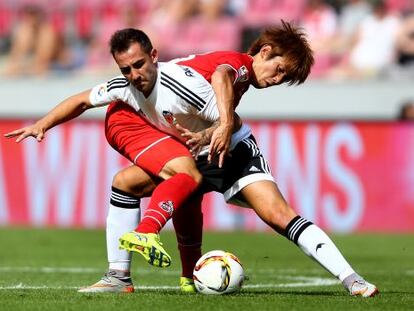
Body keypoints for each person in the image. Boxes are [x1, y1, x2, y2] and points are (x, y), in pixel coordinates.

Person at [89, 24, 376, 296]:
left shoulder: (240, 75)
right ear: (265, 51)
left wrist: (222, 127)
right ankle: (121, 277)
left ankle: (352, 279)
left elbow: (215, 105)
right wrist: (225, 125)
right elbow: (221, 76)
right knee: (126, 183)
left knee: (278, 215)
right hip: (197, 148)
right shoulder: (238, 63)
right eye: (279, 70)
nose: (277, 80)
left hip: (233, 151)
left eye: (284, 79)